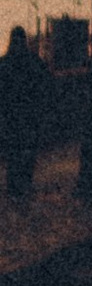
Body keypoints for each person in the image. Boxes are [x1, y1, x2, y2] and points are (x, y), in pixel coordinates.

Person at [0, 25, 50, 202]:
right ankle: (24, 187)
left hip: (10, 118)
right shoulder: (34, 62)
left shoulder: (4, 63)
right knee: (27, 154)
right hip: (29, 117)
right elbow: (47, 84)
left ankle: (14, 189)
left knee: (14, 155)